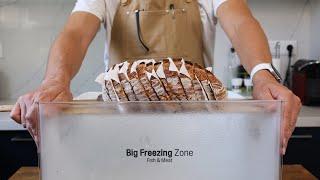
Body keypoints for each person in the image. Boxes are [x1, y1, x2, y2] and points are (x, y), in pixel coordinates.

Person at [10, 0, 301, 154]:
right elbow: (75, 33)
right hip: (121, 133)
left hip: (196, 131)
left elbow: (240, 22)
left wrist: (264, 76)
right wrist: (55, 81)